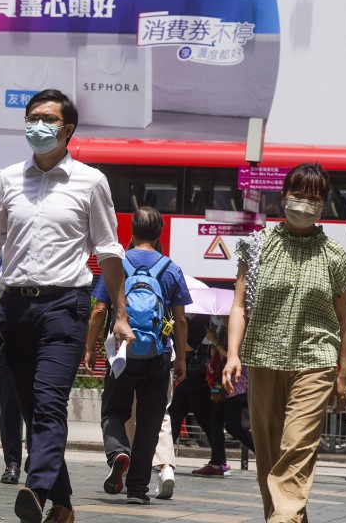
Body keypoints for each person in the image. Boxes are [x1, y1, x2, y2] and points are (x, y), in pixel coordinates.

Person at [0, 88, 127, 523]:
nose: (37, 125)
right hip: (13, 307)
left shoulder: (91, 181)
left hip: (65, 307)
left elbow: (108, 251)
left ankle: (38, 487)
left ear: (68, 129)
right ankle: (62, 506)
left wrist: (119, 314)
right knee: (31, 409)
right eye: (32, 117)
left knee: (48, 404)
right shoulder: (9, 178)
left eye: (47, 119)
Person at [223, 162, 346, 523]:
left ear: (324, 204)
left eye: (314, 198)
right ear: (283, 196)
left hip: (315, 361)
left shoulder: (334, 255)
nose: (304, 204)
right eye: (298, 195)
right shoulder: (256, 246)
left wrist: (342, 372)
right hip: (263, 358)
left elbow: (344, 319)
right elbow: (239, 306)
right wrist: (232, 354)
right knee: (270, 456)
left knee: (296, 446)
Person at [86, 206, 190, 506]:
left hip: (122, 353)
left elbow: (99, 310)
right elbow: (181, 320)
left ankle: (119, 452)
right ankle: (137, 490)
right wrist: (181, 358)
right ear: (159, 234)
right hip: (158, 356)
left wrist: (90, 348)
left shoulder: (117, 265)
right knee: (149, 424)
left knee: (113, 413)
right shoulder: (171, 269)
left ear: (131, 230)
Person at [169, 315, 225, 474]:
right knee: (175, 412)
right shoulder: (193, 321)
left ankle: (219, 460)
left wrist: (174, 333)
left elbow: (189, 346)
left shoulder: (198, 322)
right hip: (189, 378)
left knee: (205, 420)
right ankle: (164, 456)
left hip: (197, 378)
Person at [200, 317, 255, 476]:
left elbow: (235, 357)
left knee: (232, 426)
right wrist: (215, 347)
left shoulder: (240, 330)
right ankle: (217, 463)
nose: (221, 318)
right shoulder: (225, 330)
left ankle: (264, 454)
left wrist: (216, 343)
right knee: (215, 421)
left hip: (237, 385)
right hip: (226, 384)